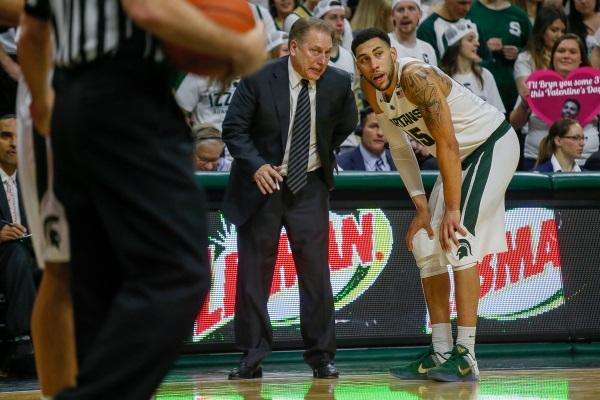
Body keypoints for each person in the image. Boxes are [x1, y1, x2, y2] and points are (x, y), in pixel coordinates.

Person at [19, 1, 266, 400]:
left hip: (70, 101)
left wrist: (48, 106)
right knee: (178, 272)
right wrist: (240, 48)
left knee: (99, 285)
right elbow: (149, 8)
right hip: (127, 97)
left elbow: (32, 32)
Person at [352, 28, 519, 382]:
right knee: (426, 242)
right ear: (359, 65)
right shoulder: (371, 88)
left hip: (489, 145)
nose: (373, 63)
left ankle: (467, 355)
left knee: (457, 237)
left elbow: (447, 143)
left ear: (393, 54)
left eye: (378, 54)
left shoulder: (417, 77)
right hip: (456, 159)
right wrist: (422, 208)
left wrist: (453, 209)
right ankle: (441, 350)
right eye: (364, 59)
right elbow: (399, 148)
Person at [223, 17, 357, 380]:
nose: (322, 60)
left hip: (310, 185)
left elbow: (345, 124)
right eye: (315, 51)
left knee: (316, 275)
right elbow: (233, 128)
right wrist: (255, 166)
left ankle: (322, 357)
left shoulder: (339, 83)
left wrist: (319, 158)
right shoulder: (259, 77)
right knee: (254, 274)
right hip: (263, 185)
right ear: (293, 47)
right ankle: (252, 355)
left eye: (328, 53)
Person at [510, 34, 598, 170]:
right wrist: (523, 104)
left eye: (573, 52)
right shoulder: (536, 84)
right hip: (537, 161)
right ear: (553, 56)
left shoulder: (594, 85)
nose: (566, 55)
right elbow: (514, 124)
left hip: (589, 161)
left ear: (581, 58)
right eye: (561, 51)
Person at [0, 114, 37, 377]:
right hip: (5, 257)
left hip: (28, 255)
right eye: (5, 136)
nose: (14, 144)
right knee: (17, 255)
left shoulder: (31, 180)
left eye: (18, 137)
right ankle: (23, 344)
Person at [467, 0, 532, 113]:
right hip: (479, 88)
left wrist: (518, 52)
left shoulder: (519, 15)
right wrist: (483, 47)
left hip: (513, 89)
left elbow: (534, 48)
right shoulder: (471, 10)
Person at [439, 21, 505, 112]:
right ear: (456, 45)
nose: (477, 44)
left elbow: (499, 114)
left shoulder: (485, 74)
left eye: (476, 39)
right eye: (470, 40)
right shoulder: (441, 79)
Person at [513, 6, 567, 102]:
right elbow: (525, 91)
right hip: (532, 111)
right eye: (554, 30)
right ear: (541, 31)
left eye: (563, 31)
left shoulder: (570, 57)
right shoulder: (525, 58)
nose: (559, 36)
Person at [337, 107, 397, 171]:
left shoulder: (402, 162)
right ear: (360, 130)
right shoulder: (339, 165)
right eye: (373, 126)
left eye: (385, 127)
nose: (380, 133)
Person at [389, 0, 438, 66]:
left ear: (420, 14)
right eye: (400, 10)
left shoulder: (428, 49)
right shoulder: (385, 44)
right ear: (392, 15)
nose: (405, 15)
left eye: (411, 8)